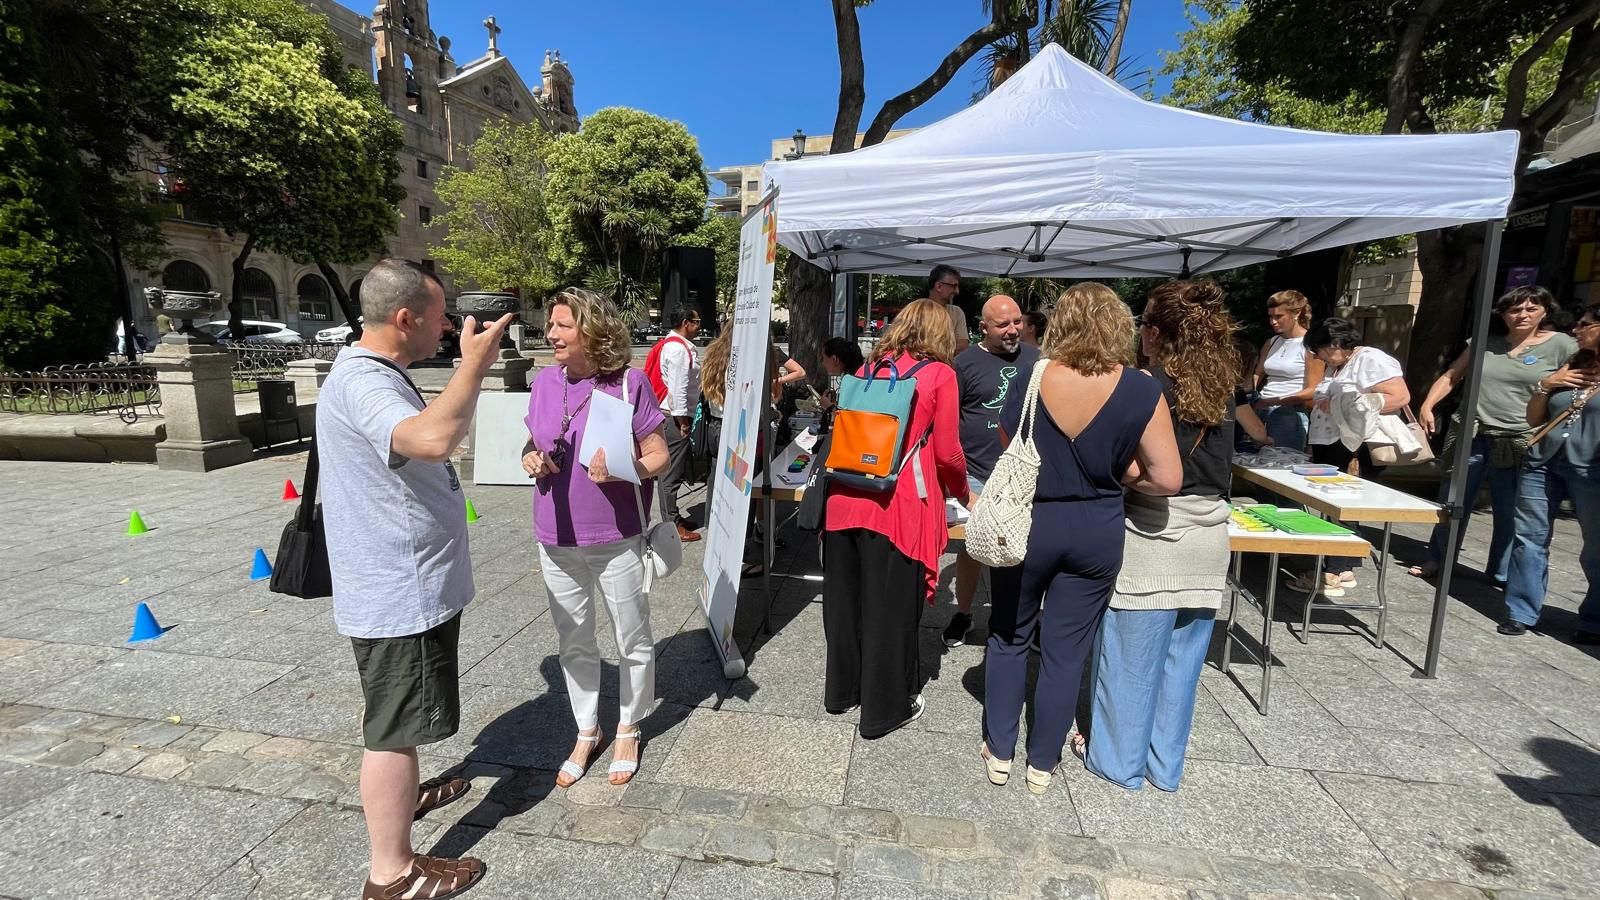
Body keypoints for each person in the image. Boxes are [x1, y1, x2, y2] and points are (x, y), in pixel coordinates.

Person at [317, 258, 511, 900]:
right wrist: (474, 365)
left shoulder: (369, 372)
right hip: (399, 592)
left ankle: (406, 797)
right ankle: (391, 871)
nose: (450, 326)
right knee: (394, 728)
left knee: (396, 715)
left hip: (400, 582)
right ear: (406, 320)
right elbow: (430, 440)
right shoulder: (367, 383)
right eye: (440, 317)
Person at [980, 283, 1183, 795]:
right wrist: (1116, 474)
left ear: (1058, 325)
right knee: (1067, 651)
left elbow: (1008, 439)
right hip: (1096, 525)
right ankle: (1042, 762)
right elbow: (1166, 478)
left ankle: (1000, 749)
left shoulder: (1032, 373)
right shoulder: (1142, 387)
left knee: (1008, 635)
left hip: (1029, 522)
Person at [1076, 280, 1240, 793]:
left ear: (1152, 333)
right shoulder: (1221, 388)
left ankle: (1116, 762)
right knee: (1182, 668)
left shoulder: (1146, 387)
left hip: (1154, 533)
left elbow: (1131, 465)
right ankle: (1164, 768)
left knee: (1128, 663)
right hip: (1211, 534)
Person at [522, 288, 672, 788]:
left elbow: (659, 457)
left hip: (615, 534)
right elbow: (533, 439)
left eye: (562, 325)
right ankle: (588, 730)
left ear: (591, 330)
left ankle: (628, 726)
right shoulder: (544, 382)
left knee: (631, 636)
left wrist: (624, 469)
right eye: (551, 325)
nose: (551, 334)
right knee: (574, 640)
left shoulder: (628, 384)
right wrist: (530, 457)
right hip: (555, 533)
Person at [823, 298, 970, 737]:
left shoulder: (867, 370)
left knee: (846, 604)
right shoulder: (940, 375)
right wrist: (965, 493)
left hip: (843, 497)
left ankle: (842, 693)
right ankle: (885, 709)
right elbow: (947, 453)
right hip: (897, 503)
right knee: (889, 608)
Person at [1409, 286, 1576, 585]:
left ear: (1545, 311)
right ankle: (1438, 559)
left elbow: (1580, 379)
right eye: (1514, 309)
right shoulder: (1485, 343)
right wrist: (1428, 404)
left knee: (1510, 508)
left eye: (1531, 308)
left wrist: (1555, 383)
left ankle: (1500, 570)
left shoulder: (1561, 345)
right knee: (1453, 501)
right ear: (1502, 313)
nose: (1522, 315)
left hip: (1520, 437)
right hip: (1472, 432)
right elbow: (1452, 375)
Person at [1502, 301, 1600, 639]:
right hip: (1543, 461)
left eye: (1585, 324)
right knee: (1529, 537)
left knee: (1596, 545)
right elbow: (1534, 419)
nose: (1576, 330)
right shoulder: (1573, 364)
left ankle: (1594, 620)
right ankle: (1521, 612)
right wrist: (1547, 385)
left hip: (1592, 467)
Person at [946, 295, 1040, 648]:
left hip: (1023, 474)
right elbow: (950, 420)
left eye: (1017, 321)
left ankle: (1022, 617)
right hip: (976, 471)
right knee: (972, 546)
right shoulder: (964, 363)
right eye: (1003, 324)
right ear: (983, 327)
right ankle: (964, 613)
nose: (1013, 330)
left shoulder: (1038, 359)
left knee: (1024, 547)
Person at [1298, 317, 1411, 596]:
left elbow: (1399, 396)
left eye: (1318, 350)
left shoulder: (1370, 359)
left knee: (1345, 505)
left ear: (1335, 344)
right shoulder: (1338, 365)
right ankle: (1340, 564)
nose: (1317, 357)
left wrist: (1354, 403)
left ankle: (1335, 569)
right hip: (1331, 443)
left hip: (1354, 447)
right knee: (1332, 506)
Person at [645, 306, 703, 542]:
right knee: (671, 473)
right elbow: (677, 390)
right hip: (674, 417)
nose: (699, 326)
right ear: (686, 323)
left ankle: (674, 517)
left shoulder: (672, 345)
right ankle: (671, 523)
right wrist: (683, 423)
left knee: (671, 471)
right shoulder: (678, 350)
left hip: (671, 415)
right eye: (697, 321)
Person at [1252, 290, 1323, 451]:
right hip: (1261, 408)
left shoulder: (1309, 345)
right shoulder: (1272, 341)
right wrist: (1250, 396)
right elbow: (1257, 373)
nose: (1273, 322)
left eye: (1279, 316)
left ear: (1297, 313)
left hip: (1289, 413)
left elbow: (1313, 390)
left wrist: (1274, 401)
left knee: (1282, 464)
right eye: (1270, 316)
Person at [929, 264, 971, 352]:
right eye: (954, 286)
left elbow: (962, 346)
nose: (957, 291)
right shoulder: (916, 311)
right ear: (939, 286)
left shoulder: (956, 312)